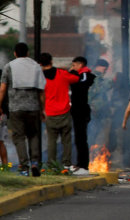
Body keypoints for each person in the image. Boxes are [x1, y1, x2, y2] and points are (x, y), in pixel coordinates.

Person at [0, 43, 45, 176]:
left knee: (19, 137)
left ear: (15, 53)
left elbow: (2, 88)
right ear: (28, 53)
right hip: (33, 107)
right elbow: (41, 91)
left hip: (15, 108)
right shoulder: (36, 66)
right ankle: (35, 162)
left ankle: (24, 167)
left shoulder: (9, 66)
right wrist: (43, 109)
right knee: (33, 135)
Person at [39, 53, 79, 169]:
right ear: (51, 61)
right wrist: (73, 70)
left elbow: (40, 95)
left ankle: (52, 164)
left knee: (51, 140)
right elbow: (76, 78)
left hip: (50, 113)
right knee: (66, 140)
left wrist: (42, 110)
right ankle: (66, 163)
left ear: (40, 64)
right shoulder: (62, 74)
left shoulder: (41, 78)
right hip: (64, 112)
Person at [68, 56, 96, 175]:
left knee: (81, 138)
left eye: (74, 65)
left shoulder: (85, 75)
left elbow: (80, 86)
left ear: (80, 65)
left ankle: (83, 165)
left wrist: (73, 75)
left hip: (82, 110)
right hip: (77, 109)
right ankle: (80, 163)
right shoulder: (80, 75)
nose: (72, 68)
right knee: (78, 138)